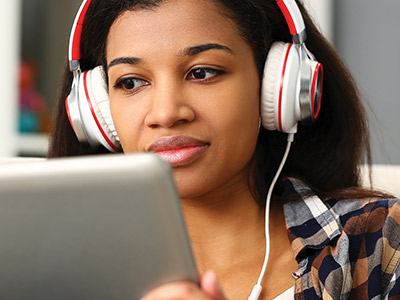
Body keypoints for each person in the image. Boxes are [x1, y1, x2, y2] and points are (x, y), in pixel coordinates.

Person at [48, 0, 400, 299]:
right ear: (97, 110)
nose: (167, 113)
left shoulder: (380, 242)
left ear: (275, 87)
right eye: (130, 82)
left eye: (202, 72)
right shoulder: (60, 271)